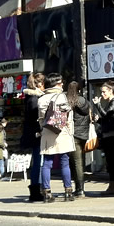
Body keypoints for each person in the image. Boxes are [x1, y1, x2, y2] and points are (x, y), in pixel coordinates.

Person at [37, 72, 75, 203]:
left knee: (47, 163)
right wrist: (70, 132)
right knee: (65, 162)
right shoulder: (63, 97)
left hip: (47, 132)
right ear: (56, 84)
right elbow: (69, 118)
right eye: (60, 82)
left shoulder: (41, 99)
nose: (62, 84)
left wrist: (44, 128)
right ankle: (68, 191)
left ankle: (46, 192)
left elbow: (41, 119)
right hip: (62, 132)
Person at [93, 82, 114, 196]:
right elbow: (106, 119)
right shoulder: (111, 102)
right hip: (108, 134)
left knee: (112, 162)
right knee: (110, 162)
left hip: (112, 136)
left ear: (111, 91)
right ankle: (113, 185)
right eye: (101, 91)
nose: (102, 94)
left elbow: (107, 114)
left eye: (104, 91)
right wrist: (98, 120)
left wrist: (97, 105)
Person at [22, 72, 45, 201]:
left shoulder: (32, 98)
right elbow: (34, 117)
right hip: (36, 134)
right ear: (39, 84)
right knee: (38, 162)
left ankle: (36, 189)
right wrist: (39, 130)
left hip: (34, 133)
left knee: (37, 162)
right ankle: (35, 190)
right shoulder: (34, 99)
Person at [66, 80, 91, 198]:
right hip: (84, 134)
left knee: (76, 162)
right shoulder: (85, 101)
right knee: (80, 161)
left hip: (74, 134)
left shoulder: (70, 102)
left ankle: (80, 189)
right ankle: (80, 187)